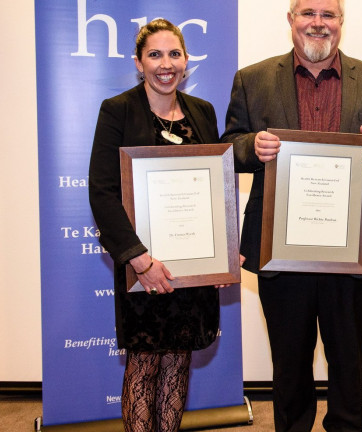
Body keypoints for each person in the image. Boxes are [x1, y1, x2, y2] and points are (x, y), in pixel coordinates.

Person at [220, 0, 362, 430]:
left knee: (349, 362)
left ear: (341, 23)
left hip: (351, 249)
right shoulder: (253, 79)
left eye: (328, 14)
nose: (317, 23)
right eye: (308, 13)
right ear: (291, 20)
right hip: (280, 250)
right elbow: (230, 145)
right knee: (289, 363)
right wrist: (253, 147)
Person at [88, 19, 242, 432]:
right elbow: (102, 193)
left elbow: (218, 186)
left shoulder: (203, 113)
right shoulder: (118, 111)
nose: (165, 64)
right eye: (155, 54)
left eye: (174, 54)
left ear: (186, 60)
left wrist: (225, 250)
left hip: (192, 269)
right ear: (139, 63)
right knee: (144, 368)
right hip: (146, 269)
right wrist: (139, 261)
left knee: (178, 364)